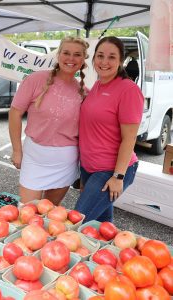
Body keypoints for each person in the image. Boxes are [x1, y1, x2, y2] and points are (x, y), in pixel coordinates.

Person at [9, 37, 89, 205]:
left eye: (77, 55)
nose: (71, 59)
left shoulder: (84, 92)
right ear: (58, 55)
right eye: (66, 53)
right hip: (34, 157)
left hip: (65, 161)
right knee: (28, 212)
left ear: (83, 60)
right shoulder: (35, 80)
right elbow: (15, 113)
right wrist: (17, 150)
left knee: (50, 214)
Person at [74, 36, 144, 223]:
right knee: (102, 228)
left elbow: (129, 138)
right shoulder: (97, 85)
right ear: (94, 58)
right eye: (100, 56)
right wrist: (83, 173)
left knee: (76, 221)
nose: (104, 62)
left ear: (121, 61)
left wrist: (118, 177)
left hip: (111, 170)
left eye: (112, 57)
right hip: (89, 168)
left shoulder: (128, 90)